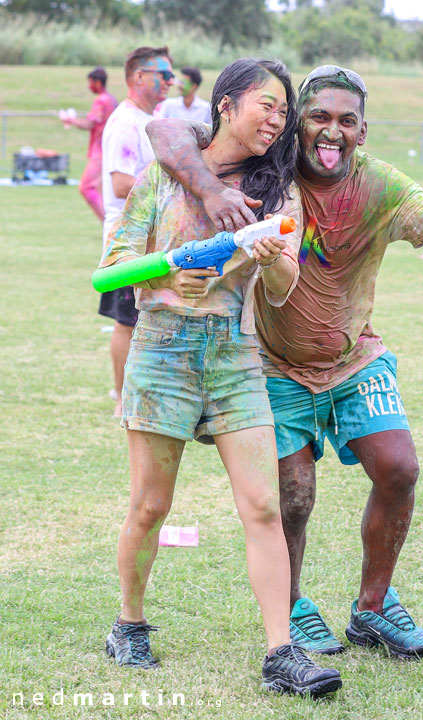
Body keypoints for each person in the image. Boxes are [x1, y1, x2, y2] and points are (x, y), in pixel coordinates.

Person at [146, 64, 423, 661]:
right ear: (297, 125)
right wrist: (210, 188)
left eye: (347, 122)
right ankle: (297, 607)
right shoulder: (269, 171)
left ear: (363, 130)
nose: (332, 132)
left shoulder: (382, 185)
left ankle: (373, 609)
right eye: (319, 118)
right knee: (294, 491)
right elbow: (163, 131)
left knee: (399, 468)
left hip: (355, 356)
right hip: (276, 364)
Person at [100, 57, 342, 698]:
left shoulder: (277, 191)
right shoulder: (165, 178)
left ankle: (280, 652)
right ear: (227, 105)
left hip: (235, 356)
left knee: (263, 505)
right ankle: (129, 621)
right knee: (150, 506)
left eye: (284, 110)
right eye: (267, 103)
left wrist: (271, 260)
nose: (278, 118)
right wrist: (162, 276)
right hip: (163, 353)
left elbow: (287, 287)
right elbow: (116, 261)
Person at [100, 46, 174, 417]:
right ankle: (121, 397)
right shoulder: (125, 124)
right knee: (127, 322)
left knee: (150, 320)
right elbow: (119, 184)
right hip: (127, 246)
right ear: (139, 76)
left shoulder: (154, 118)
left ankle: (145, 394)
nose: (170, 81)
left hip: (154, 242)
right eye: (163, 74)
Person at [61, 67, 117, 221]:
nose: (89, 86)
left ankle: (109, 223)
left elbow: (90, 124)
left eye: (90, 83)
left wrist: (70, 120)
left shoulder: (101, 100)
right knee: (102, 190)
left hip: (100, 151)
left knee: (86, 187)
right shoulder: (111, 99)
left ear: (98, 83)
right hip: (109, 149)